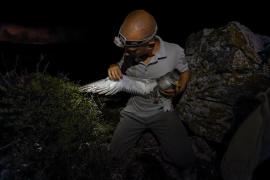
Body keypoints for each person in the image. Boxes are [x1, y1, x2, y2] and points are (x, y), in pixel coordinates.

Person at [108, 9, 195, 179]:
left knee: (185, 160)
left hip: (162, 111)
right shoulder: (129, 54)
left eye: (131, 49)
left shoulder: (174, 52)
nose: (127, 52)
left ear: (149, 44)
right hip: (134, 112)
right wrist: (114, 66)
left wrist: (178, 88)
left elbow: (185, 72)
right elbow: (120, 66)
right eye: (125, 48)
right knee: (113, 156)